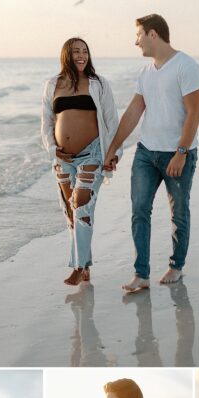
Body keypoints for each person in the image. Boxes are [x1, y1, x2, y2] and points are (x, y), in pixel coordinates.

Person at [103, 14, 199, 291]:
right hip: (146, 153)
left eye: (138, 35)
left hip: (177, 153)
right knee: (139, 211)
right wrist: (113, 147)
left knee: (179, 213)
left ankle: (176, 266)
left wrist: (181, 152)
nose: (135, 41)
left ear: (153, 34)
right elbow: (134, 113)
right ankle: (141, 274)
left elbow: (194, 113)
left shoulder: (187, 66)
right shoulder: (145, 73)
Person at [41, 37, 120, 286]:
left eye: (85, 51)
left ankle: (77, 266)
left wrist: (113, 153)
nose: (81, 56)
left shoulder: (99, 84)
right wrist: (53, 149)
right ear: (66, 55)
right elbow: (46, 122)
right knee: (70, 212)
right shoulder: (53, 85)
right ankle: (85, 265)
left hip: (92, 153)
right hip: (62, 158)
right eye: (76, 51)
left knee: (82, 206)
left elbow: (111, 119)